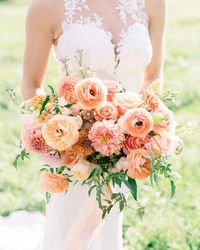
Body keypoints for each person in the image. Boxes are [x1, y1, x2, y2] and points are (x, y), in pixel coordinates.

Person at [22, 0, 166, 249]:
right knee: (67, 231)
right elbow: (31, 84)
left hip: (125, 149)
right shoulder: (46, 7)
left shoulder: (153, 3)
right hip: (74, 151)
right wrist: (63, 132)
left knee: (108, 231)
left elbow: (153, 77)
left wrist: (138, 132)